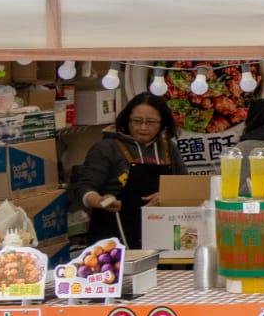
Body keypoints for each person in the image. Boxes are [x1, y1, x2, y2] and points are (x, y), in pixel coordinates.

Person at [68, 92, 184, 249]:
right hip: (113, 234)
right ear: (127, 120)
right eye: (137, 121)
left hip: (161, 233)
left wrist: (168, 195)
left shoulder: (168, 148)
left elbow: (184, 185)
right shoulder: (106, 148)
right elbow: (83, 188)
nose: (143, 127)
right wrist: (98, 200)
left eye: (151, 122)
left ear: (162, 123)